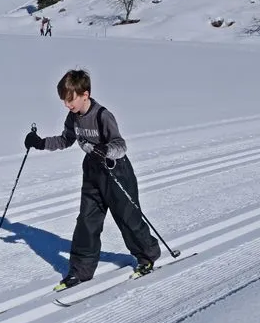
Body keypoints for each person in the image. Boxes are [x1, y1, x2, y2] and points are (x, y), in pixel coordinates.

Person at [23, 69, 159, 291]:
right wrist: (39, 143)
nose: (67, 105)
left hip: (116, 171)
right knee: (87, 221)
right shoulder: (73, 118)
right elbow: (65, 140)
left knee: (127, 217)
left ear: (84, 94)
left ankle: (147, 256)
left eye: (70, 100)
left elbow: (120, 146)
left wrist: (104, 150)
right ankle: (80, 271)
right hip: (92, 172)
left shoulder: (102, 115)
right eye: (64, 101)